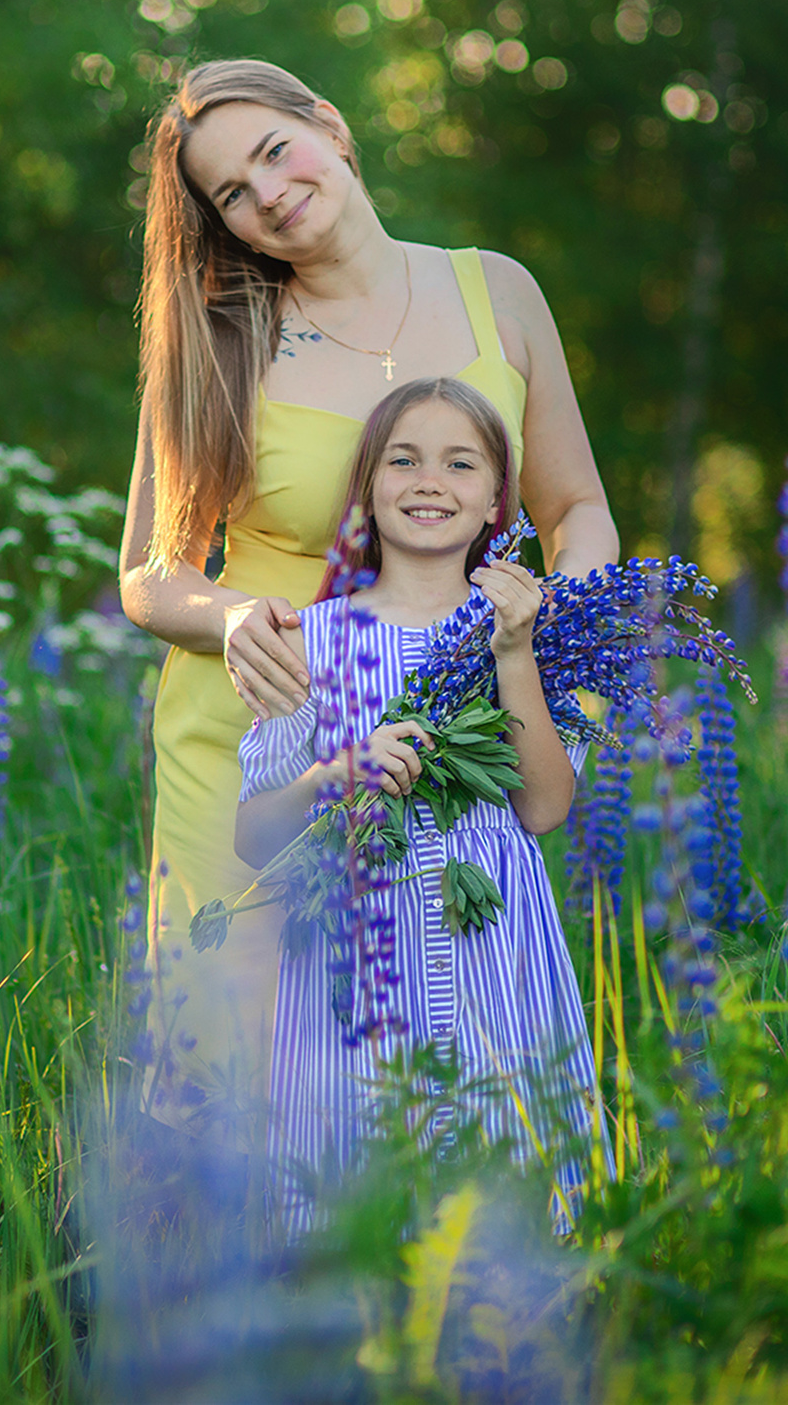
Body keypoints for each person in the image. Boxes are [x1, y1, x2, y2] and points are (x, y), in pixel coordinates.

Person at [117, 58, 619, 1144]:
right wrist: (233, 617)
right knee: (235, 1102)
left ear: (330, 127)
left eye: (271, 152)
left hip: (446, 746)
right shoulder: (219, 337)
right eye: (232, 196)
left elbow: (576, 505)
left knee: (453, 1068)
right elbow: (150, 575)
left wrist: (544, 645)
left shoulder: (497, 291)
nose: (268, 194)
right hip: (269, 744)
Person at [236, 376, 600, 1234]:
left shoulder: (529, 629)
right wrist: (339, 774)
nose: (428, 480)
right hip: (360, 961)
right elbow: (255, 836)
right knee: (361, 1211)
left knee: (508, 1195)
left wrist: (514, 649)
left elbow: (544, 806)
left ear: (494, 504)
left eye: (459, 463)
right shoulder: (312, 640)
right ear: (366, 488)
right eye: (402, 459)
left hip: (494, 956)